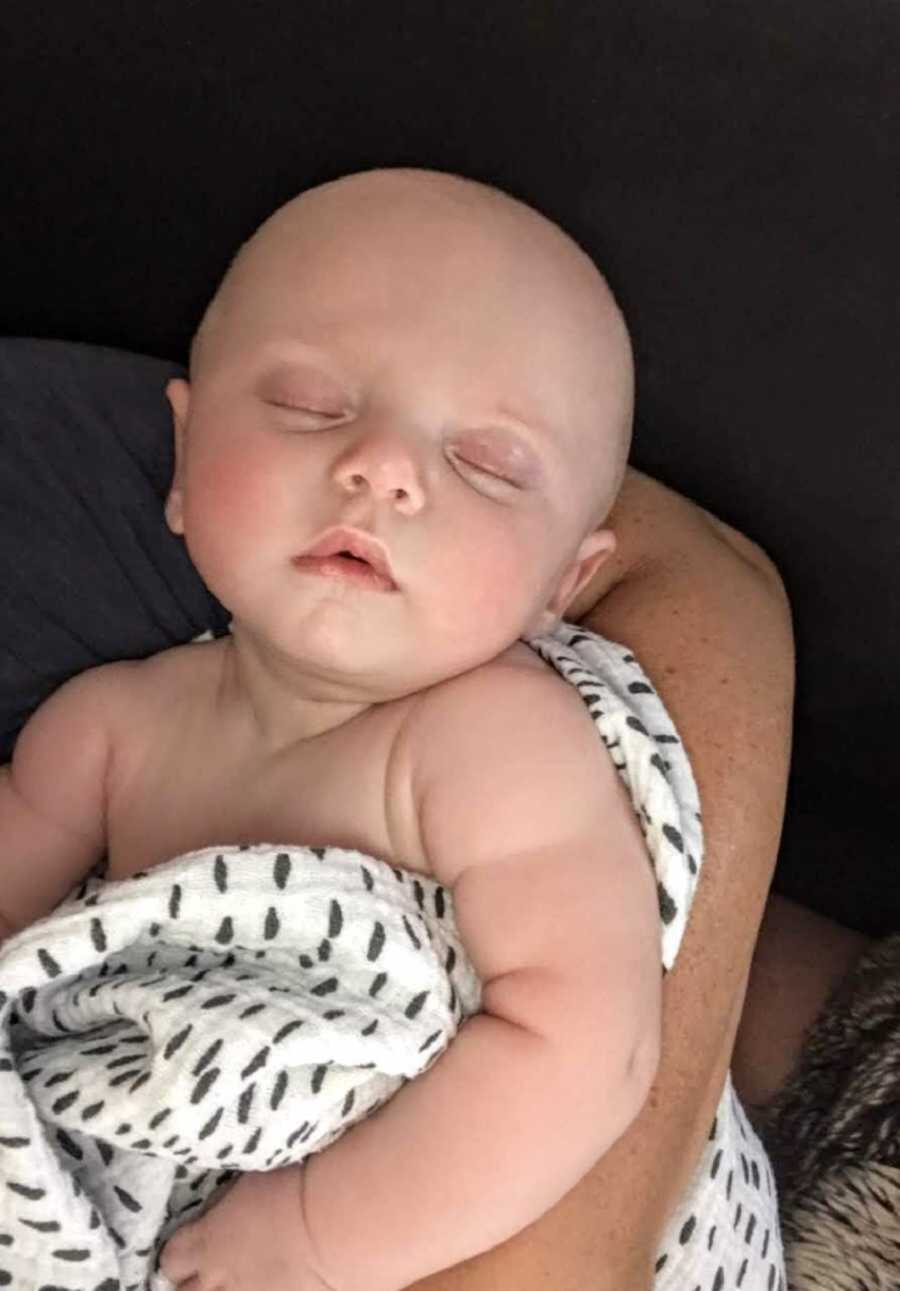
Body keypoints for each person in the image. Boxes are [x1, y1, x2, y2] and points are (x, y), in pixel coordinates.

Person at [0, 168, 794, 1291]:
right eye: (312, 404)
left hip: (431, 1218)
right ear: (181, 463)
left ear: (561, 586)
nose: (382, 469)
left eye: (487, 463)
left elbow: (588, 1048)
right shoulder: (107, 729)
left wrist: (324, 1236)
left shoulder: (490, 745)